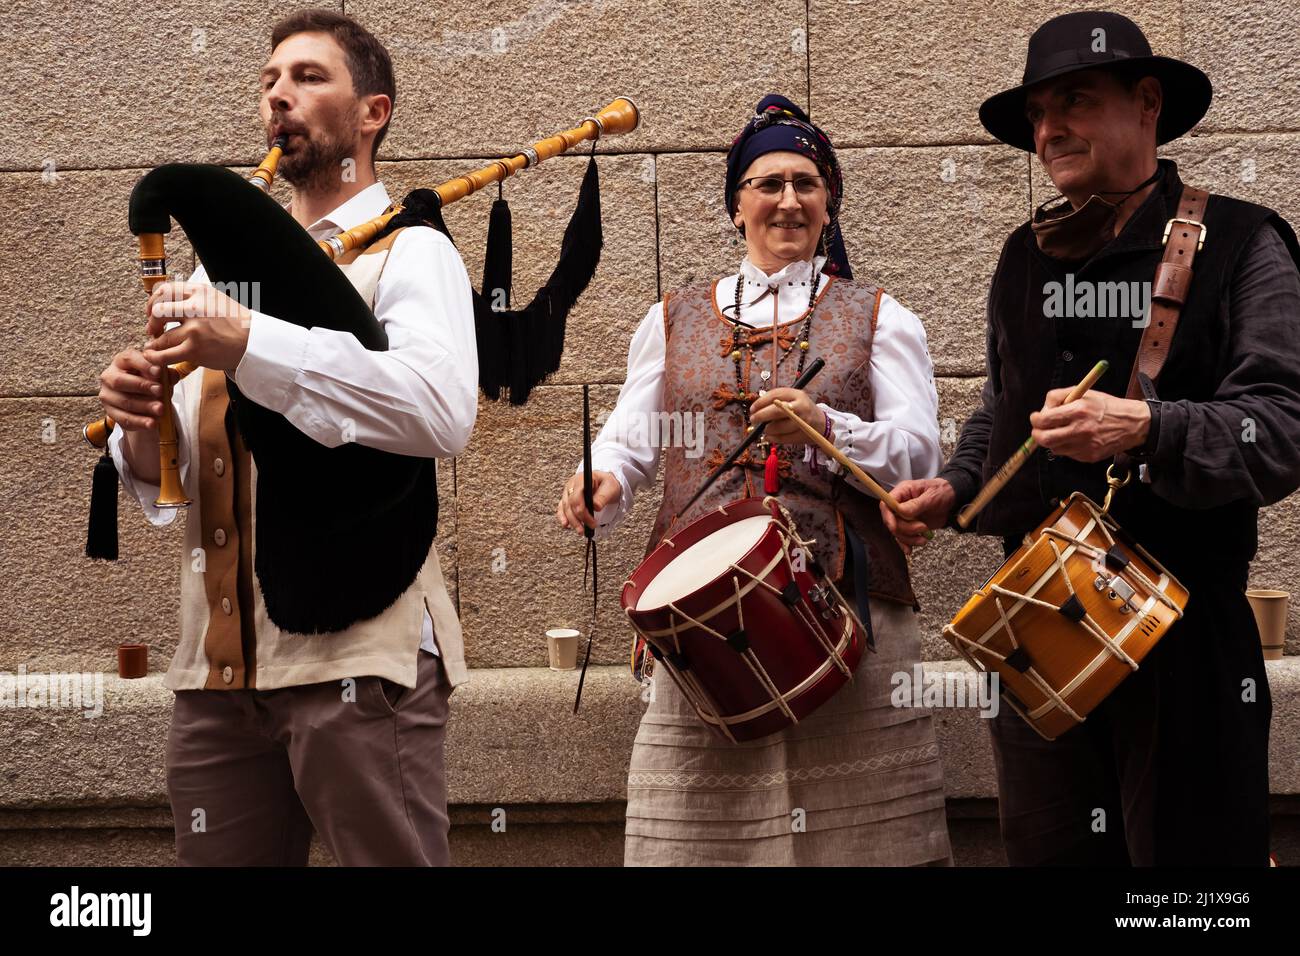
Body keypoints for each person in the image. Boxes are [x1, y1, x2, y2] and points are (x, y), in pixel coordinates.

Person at [883, 11, 1300, 865]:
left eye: (1074, 100)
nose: (1047, 130)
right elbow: (1003, 410)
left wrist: (1147, 426)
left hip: (1182, 634)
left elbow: (1283, 429)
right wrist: (960, 485)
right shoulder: (1020, 255)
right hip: (1036, 625)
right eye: (1037, 114)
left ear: (1148, 103)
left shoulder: (1247, 242)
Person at [96, 9, 477, 866]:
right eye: (271, 81)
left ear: (372, 112)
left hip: (358, 657)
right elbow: (188, 475)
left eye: (309, 77)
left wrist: (250, 343)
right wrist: (140, 421)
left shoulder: (413, 254)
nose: (280, 96)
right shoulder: (213, 272)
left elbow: (438, 412)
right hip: (218, 674)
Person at [556, 94, 952, 866]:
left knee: (866, 847)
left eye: (806, 183)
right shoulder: (671, 318)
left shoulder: (881, 317)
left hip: (848, 612)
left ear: (828, 200)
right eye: (768, 183)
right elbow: (635, 440)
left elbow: (920, 457)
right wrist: (598, 479)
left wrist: (827, 427)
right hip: (701, 621)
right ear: (737, 204)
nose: (789, 200)